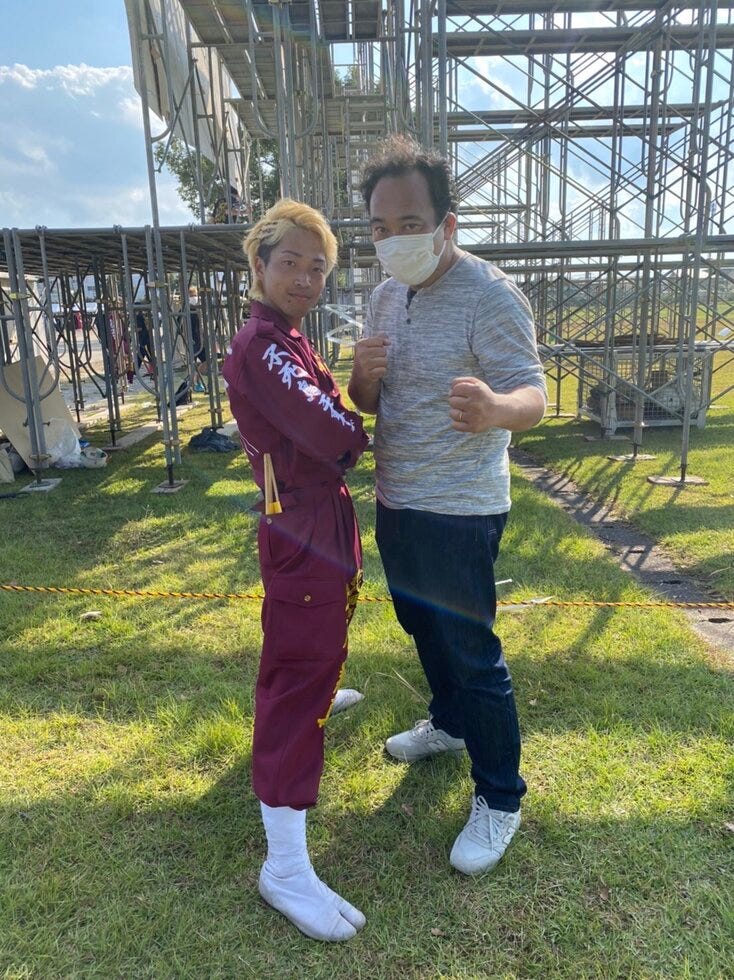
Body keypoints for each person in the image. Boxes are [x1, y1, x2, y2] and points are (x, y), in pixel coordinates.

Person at [348, 135, 547, 876]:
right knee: (420, 625)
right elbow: (370, 402)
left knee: (470, 649)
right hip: (397, 499)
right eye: (380, 227)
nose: (393, 239)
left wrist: (497, 407)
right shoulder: (383, 295)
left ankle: (500, 797)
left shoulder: (490, 293)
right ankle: (450, 722)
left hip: (461, 508)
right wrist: (361, 377)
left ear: (445, 223)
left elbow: (535, 394)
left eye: (409, 223)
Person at [222, 199, 369, 941]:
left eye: (318, 268)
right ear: (259, 263)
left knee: (314, 645)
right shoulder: (264, 345)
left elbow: (329, 412)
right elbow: (330, 426)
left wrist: (343, 426)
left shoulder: (290, 338)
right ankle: (283, 868)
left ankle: (318, 689)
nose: (306, 279)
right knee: (295, 674)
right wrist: (355, 433)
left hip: (316, 514)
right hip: (302, 518)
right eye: (290, 263)